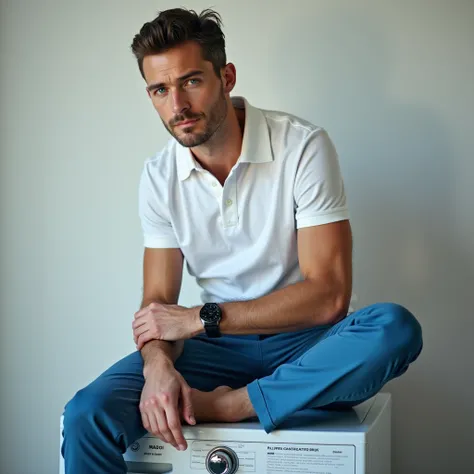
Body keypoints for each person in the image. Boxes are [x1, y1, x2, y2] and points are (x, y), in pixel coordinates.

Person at [61, 7, 423, 473]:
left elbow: (328, 296)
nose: (177, 106)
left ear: (226, 77)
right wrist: (157, 368)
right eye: (159, 90)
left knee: (394, 328)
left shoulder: (303, 147)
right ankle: (270, 399)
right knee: (87, 414)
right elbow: (156, 307)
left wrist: (200, 323)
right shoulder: (158, 176)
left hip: (306, 346)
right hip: (214, 354)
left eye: (191, 81)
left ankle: (232, 406)